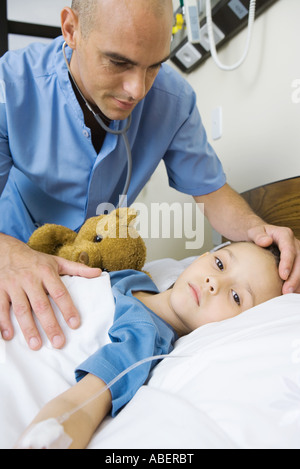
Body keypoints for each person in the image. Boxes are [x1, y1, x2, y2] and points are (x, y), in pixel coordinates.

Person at [0, 0, 299, 352]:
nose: (137, 90)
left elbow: (212, 193)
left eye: (154, 66)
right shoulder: (12, 86)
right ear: (71, 30)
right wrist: (8, 252)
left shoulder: (173, 100)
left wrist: (260, 232)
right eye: (118, 62)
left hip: (93, 268)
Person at [16, 241, 283, 449]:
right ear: (203, 257)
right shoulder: (135, 279)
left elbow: (80, 406)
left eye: (236, 296)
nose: (214, 282)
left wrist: (46, 438)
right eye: (220, 264)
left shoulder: (144, 338)